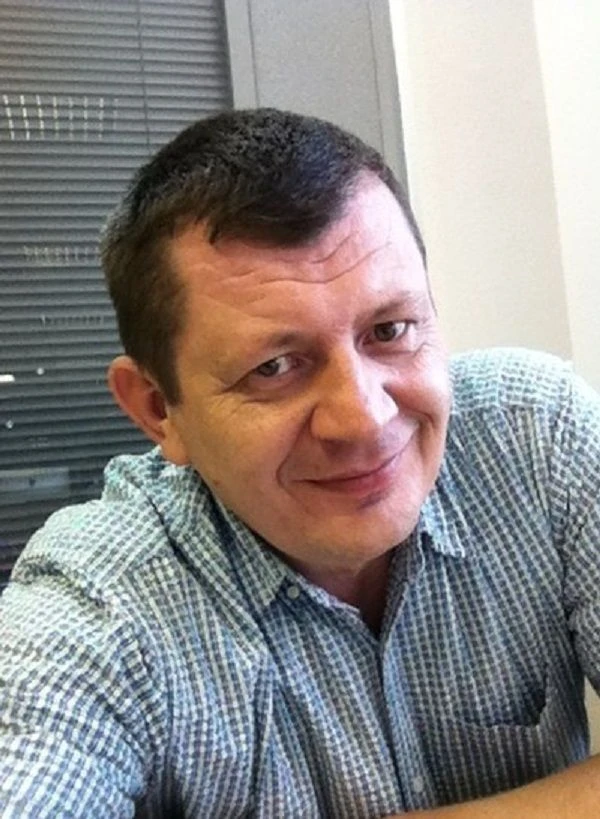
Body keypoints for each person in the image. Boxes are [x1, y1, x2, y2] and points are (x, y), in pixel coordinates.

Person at [1, 108, 600, 819]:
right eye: (275, 367)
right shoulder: (103, 600)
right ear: (160, 410)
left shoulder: (532, 438)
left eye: (390, 330)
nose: (365, 418)